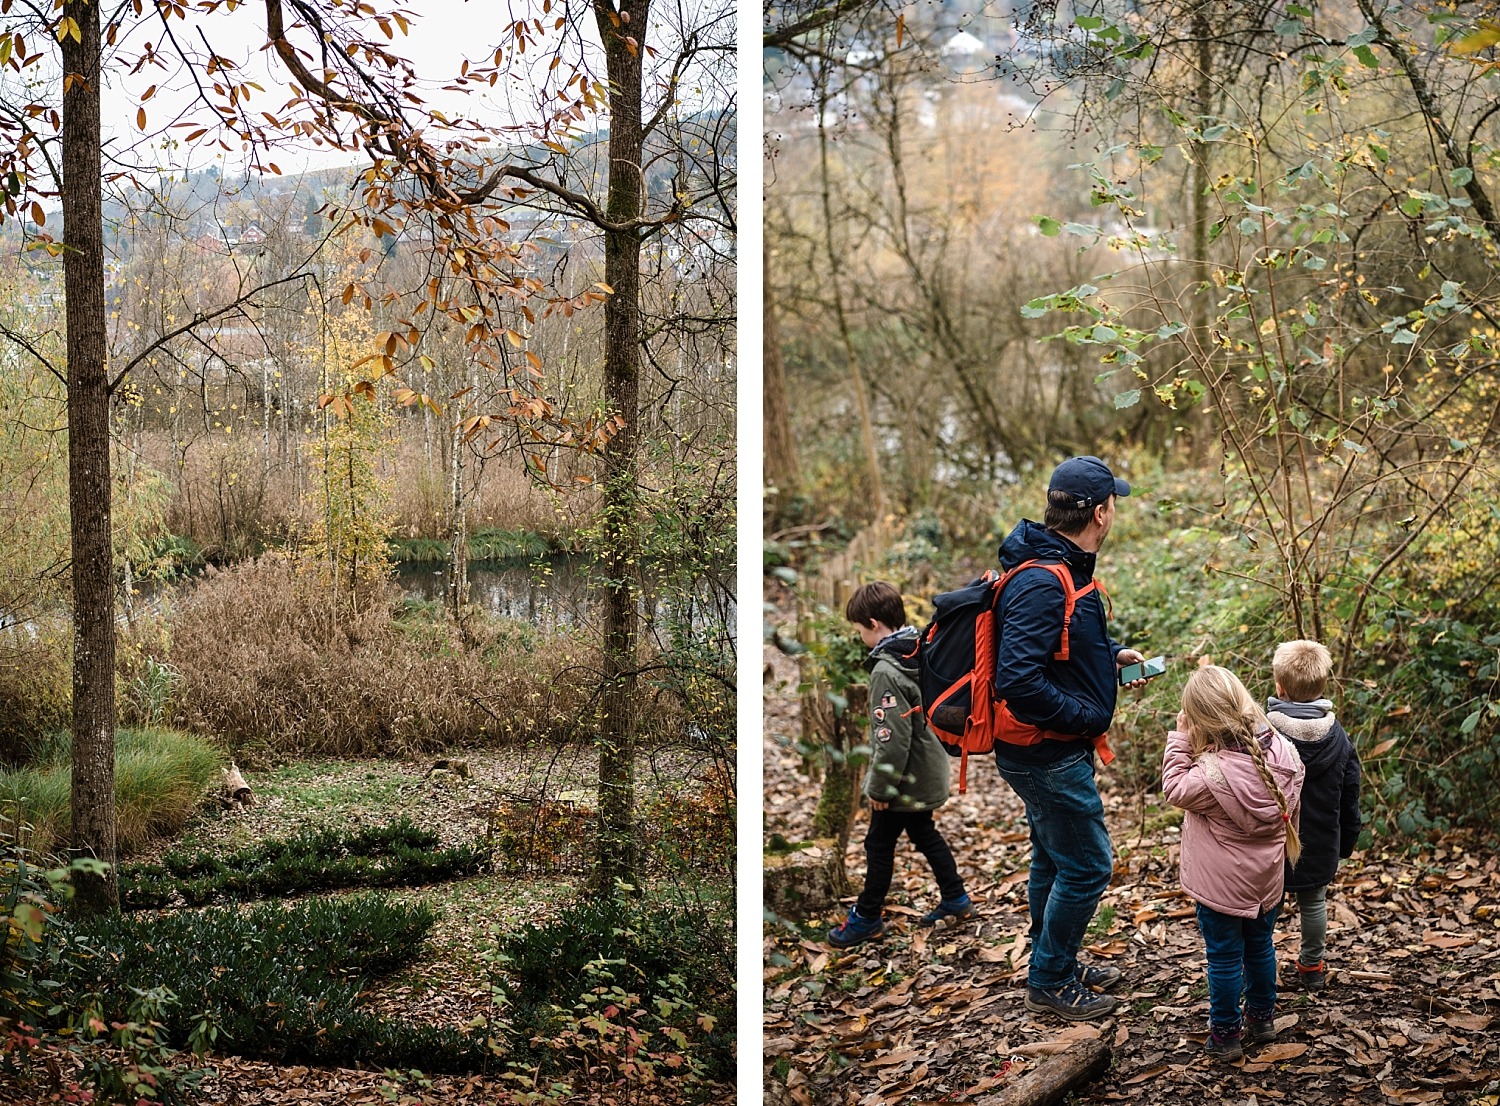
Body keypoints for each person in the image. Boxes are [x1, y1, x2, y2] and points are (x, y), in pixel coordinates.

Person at [991, 456, 1146, 1021]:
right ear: (1101, 512)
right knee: (1087, 867)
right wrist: (1083, 716)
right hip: (1047, 752)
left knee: (1054, 861)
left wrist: (1108, 658)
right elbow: (1017, 679)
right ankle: (1051, 978)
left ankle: (1054, 958)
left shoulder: (1060, 566)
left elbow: (1057, 651)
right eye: (1114, 505)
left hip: (1045, 750)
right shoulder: (1043, 580)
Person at [1162, 665, 1306, 1063]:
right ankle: (1262, 1019)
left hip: (1221, 888)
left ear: (1198, 721)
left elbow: (1173, 787)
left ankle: (1225, 1036)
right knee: (1260, 946)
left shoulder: (1209, 777)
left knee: (1224, 958)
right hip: (1266, 880)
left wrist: (1180, 738)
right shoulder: (1285, 753)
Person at [827, 582, 973, 949]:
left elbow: (892, 740)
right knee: (924, 832)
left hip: (903, 778)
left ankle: (866, 917)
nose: (859, 636)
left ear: (874, 623)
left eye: (859, 629)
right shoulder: (922, 649)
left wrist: (880, 788)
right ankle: (955, 897)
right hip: (929, 767)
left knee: (878, 844)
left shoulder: (886, 671)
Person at [1266, 639, 1361, 993]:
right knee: (1314, 903)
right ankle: (1312, 966)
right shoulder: (1340, 739)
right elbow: (1350, 793)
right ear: (1323, 685)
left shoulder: (1263, 736)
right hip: (1320, 839)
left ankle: (1261, 965)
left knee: (1266, 905)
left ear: (1279, 686)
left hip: (1272, 839)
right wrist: (1347, 840)